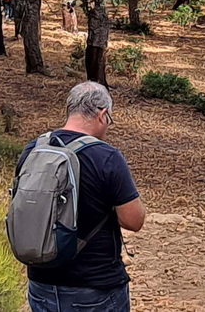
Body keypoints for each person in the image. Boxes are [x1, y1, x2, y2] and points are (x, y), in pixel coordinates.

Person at [17, 81, 146, 312]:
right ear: (102, 114)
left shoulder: (34, 149)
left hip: (41, 283)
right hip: (94, 287)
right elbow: (134, 221)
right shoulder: (106, 157)